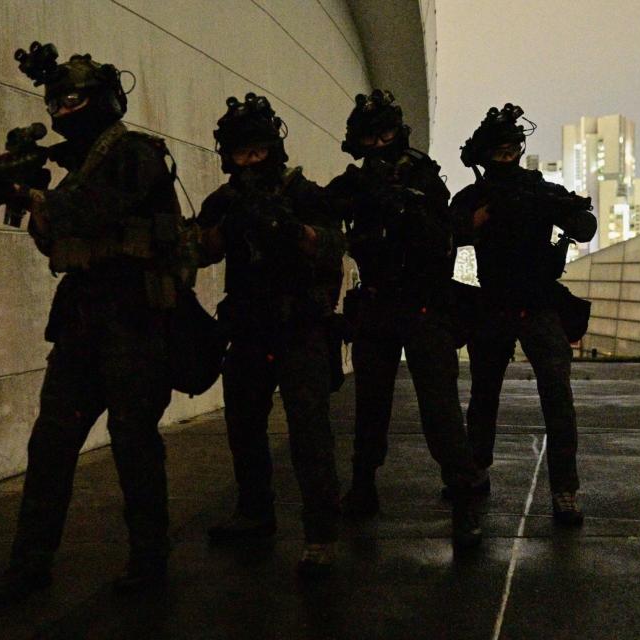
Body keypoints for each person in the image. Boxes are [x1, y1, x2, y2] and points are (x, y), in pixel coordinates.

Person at [0, 42, 188, 606]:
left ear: (105, 100)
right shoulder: (80, 167)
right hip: (83, 319)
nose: (62, 112)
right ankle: (29, 565)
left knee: (133, 445)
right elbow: (57, 237)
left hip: (134, 318)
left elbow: (90, 210)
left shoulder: (136, 153)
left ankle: (149, 562)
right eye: (55, 102)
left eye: (73, 100)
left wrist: (26, 193)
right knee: (51, 445)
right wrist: (23, 199)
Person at [196, 93, 346, 577]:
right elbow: (200, 252)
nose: (251, 161)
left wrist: (293, 230)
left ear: (273, 148)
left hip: (300, 329)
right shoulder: (225, 200)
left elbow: (332, 248)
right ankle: (255, 513)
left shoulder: (305, 194)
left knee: (309, 433)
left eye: (258, 151)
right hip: (248, 330)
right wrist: (225, 227)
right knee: (244, 428)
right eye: (242, 154)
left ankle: (321, 532)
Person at [325, 90, 482, 548]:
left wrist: (408, 209)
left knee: (440, 407)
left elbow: (445, 238)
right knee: (370, 403)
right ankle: (363, 484)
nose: (379, 144)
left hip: (422, 305)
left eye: (386, 135)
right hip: (377, 303)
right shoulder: (356, 183)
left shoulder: (424, 178)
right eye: (371, 138)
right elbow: (327, 208)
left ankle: (464, 496)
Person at [449, 103, 597, 525]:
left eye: (511, 147)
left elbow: (584, 225)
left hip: (536, 303)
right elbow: (449, 230)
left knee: (556, 398)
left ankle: (564, 489)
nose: (507, 154)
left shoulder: (537, 190)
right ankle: (478, 470)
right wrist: (477, 220)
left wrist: (565, 212)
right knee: (484, 396)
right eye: (500, 149)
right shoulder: (476, 197)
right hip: (495, 305)